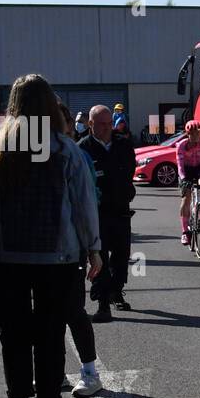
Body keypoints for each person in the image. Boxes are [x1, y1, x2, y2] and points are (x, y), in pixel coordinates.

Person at [0, 74, 102, 398]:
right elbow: (84, 206)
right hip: (56, 258)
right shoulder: (66, 149)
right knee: (49, 335)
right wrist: (93, 247)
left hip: (3, 257)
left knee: (14, 335)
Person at [58, 103, 103, 397]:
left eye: (61, 123)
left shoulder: (78, 156)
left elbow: (89, 201)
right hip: (42, 253)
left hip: (71, 249)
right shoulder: (35, 154)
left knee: (74, 312)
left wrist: (92, 248)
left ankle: (90, 371)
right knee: (46, 317)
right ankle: (55, 371)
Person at [79, 104, 136, 320]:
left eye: (108, 124)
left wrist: (125, 191)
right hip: (97, 214)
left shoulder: (123, 144)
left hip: (121, 210)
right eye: (101, 124)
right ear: (91, 124)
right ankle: (103, 303)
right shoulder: (83, 148)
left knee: (121, 256)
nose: (106, 128)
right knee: (99, 257)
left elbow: (130, 169)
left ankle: (116, 291)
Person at [175, 120, 200, 245]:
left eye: (198, 133)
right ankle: (185, 232)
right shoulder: (181, 145)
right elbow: (180, 166)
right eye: (193, 134)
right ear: (188, 134)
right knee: (186, 198)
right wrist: (183, 178)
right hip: (186, 170)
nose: (196, 136)